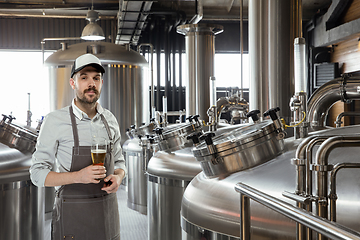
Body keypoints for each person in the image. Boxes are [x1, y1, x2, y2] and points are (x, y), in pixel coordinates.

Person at [30, 53, 127, 240]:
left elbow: (120, 161)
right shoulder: (54, 120)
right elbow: (36, 173)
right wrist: (78, 176)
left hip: (107, 218)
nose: (91, 84)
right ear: (73, 83)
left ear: (102, 83)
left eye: (96, 78)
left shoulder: (110, 119)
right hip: (71, 219)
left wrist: (119, 176)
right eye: (84, 77)